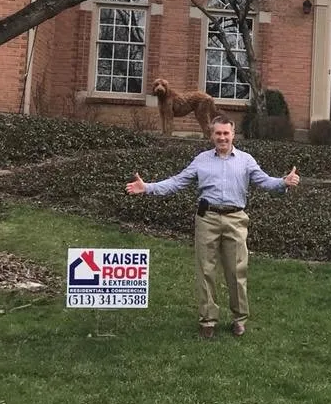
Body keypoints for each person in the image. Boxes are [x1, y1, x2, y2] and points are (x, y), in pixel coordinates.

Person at [125, 114, 300, 340]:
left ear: (233, 134)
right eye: (218, 133)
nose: (222, 138)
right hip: (207, 218)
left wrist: (283, 183)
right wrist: (148, 187)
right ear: (211, 135)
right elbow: (177, 182)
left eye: (226, 133)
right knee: (205, 270)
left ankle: (239, 319)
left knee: (237, 271)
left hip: (236, 219)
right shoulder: (201, 160)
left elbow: (265, 182)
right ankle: (208, 320)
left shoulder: (246, 160)